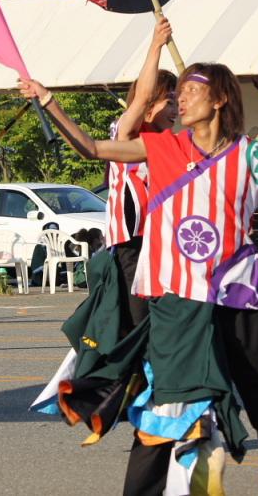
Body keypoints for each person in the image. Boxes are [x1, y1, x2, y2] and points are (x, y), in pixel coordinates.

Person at [20, 63, 258, 496]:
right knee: (166, 409)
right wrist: (48, 101)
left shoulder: (252, 154)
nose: (182, 99)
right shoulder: (161, 147)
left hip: (240, 296)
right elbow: (92, 149)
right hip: (180, 302)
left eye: (192, 90)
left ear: (220, 99)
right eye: (181, 91)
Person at [106, 18, 176, 327]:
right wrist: (155, 45)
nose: (177, 109)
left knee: (164, 321)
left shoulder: (170, 142)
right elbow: (144, 95)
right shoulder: (127, 131)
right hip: (131, 241)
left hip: (162, 241)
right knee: (137, 324)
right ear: (148, 107)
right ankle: (130, 375)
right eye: (170, 101)